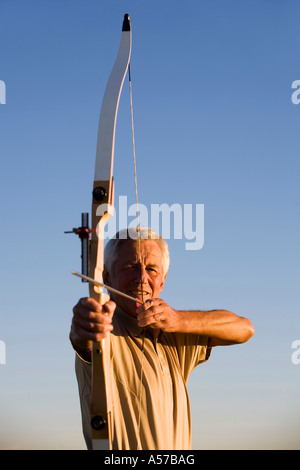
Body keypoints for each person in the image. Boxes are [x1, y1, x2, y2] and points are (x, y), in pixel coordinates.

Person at [70, 227, 254, 450]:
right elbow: (85, 338)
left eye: (152, 269)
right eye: (130, 267)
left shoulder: (172, 333)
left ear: (163, 281)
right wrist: (85, 327)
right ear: (106, 277)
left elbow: (244, 328)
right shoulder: (105, 326)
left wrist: (178, 320)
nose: (142, 278)